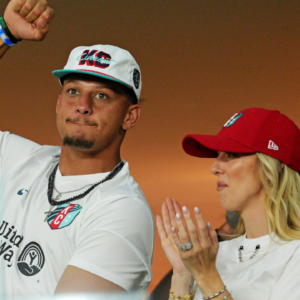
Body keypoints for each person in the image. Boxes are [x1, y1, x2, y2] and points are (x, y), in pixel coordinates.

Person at [0, 0, 154, 299]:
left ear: (130, 116)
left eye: (101, 95)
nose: (83, 106)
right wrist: (4, 35)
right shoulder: (23, 160)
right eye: (73, 91)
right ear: (59, 103)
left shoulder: (122, 211)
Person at [156, 107, 300, 300]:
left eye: (231, 154)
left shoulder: (294, 254)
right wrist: (183, 273)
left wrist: (206, 276)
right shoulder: (213, 255)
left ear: (273, 166)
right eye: (218, 154)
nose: (214, 167)